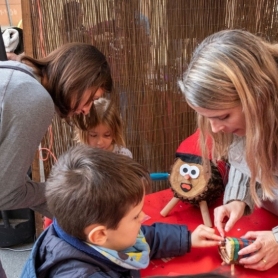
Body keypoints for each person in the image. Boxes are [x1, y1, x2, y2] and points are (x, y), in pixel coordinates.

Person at [20, 145, 223, 277]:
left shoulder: (92, 230)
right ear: (99, 234)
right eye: (135, 217)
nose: (143, 218)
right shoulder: (80, 274)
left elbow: (142, 237)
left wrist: (188, 239)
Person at [178, 29, 278, 271]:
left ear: (258, 98)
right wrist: (237, 199)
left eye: (223, 116)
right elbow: (245, 154)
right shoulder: (247, 123)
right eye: (207, 117)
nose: (215, 128)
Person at [0, 42, 112, 218]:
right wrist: (66, 193)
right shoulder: (35, 99)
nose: (87, 110)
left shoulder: (16, 75)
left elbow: (7, 177)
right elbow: (6, 193)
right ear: (77, 80)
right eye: (92, 98)